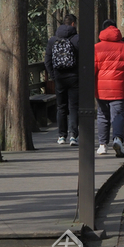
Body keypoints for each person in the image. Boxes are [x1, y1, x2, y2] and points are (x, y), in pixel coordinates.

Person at [94, 19, 124, 157]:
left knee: (102, 115)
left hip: (101, 87)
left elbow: (92, 69)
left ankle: (102, 145)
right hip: (119, 86)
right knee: (118, 114)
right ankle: (117, 139)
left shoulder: (97, 47)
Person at [44, 13, 80, 147]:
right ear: (73, 24)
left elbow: (47, 61)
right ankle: (73, 136)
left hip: (59, 78)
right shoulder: (77, 39)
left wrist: (54, 75)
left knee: (61, 107)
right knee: (74, 107)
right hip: (75, 78)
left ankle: (61, 136)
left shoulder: (53, 40)